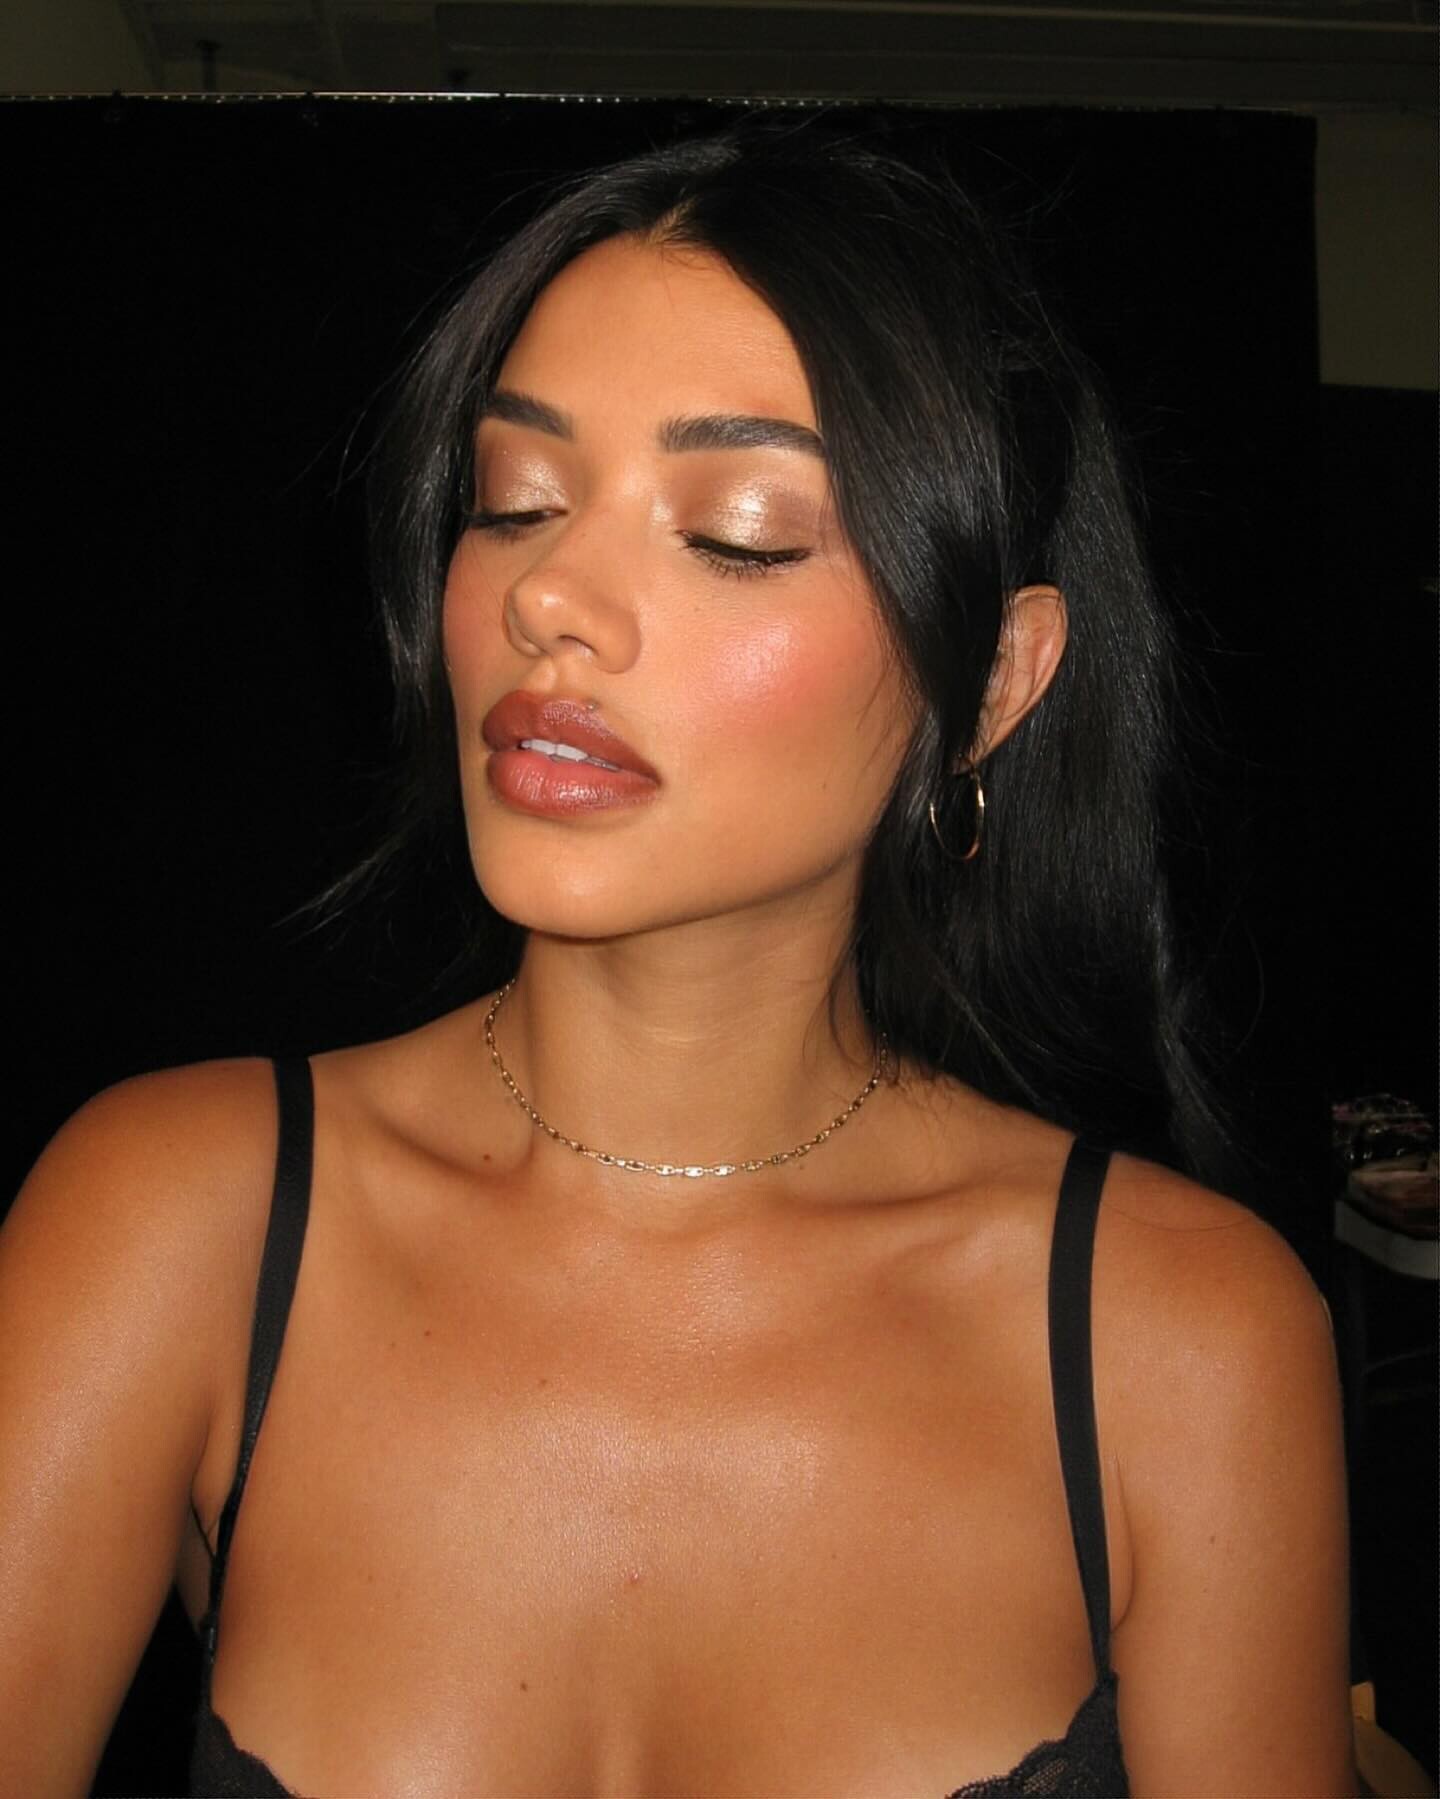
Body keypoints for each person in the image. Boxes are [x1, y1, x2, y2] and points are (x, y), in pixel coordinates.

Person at [0, 115, 1355, 1798]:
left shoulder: (1181, 1338)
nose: (551, 597)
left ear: (995, 685)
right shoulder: (177, 1224)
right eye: (515, 502)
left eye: (738, 532)